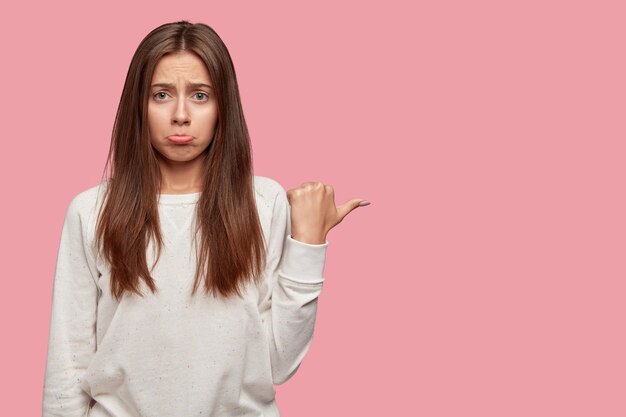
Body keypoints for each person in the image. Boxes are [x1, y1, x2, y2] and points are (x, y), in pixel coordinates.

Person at [41, 20, 369, 417]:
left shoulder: (262, 204)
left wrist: (309, 245)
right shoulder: (91, 212)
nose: (181, 115)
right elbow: (69, 365)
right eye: (161, 95)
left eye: (200, 95)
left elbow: (279, 364)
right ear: (138, 107)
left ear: (222, 107)